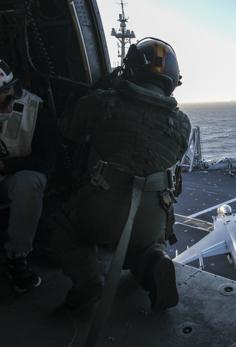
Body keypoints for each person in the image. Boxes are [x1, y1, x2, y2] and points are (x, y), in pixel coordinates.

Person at [57, 38, 191, 312]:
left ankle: (88, 278)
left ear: (129, 69)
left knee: (58, 227)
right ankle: (153, 260)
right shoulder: (182, 123)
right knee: (141, 245)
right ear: (172, 80)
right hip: (155, 218)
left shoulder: (102, 103)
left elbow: (68, 130)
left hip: (103, 210)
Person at [0, 59, 54, 293]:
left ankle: (17, 257)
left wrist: (6, 166)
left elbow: (46, 160)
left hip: (13, 178)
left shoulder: (34, 108)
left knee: (30, 183)